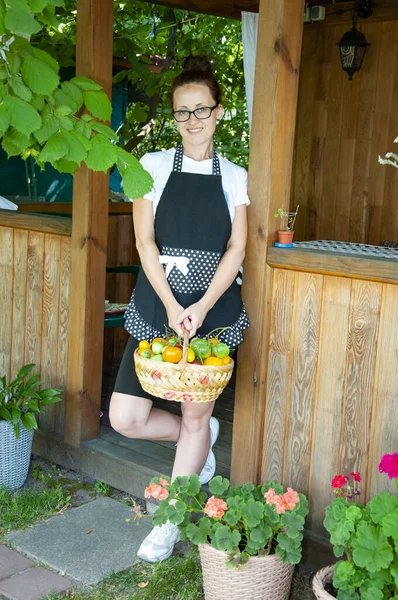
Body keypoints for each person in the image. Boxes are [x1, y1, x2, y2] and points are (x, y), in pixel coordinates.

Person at [109, 55, 250, 563]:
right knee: (125, 417)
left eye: (201, 110)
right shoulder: (152, 167)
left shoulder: (235, 175)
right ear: (174, 117)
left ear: (217, 113)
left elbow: (236, 249)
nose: (193, 120)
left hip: (212, 307)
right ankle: (205, 437)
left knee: (195, 415)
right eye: (182, 111)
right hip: (158, 303)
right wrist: (172, 304)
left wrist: (201, 304)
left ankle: (167, 523)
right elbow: (144, 242)